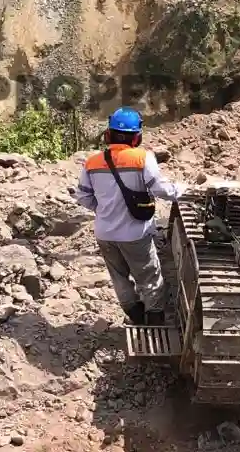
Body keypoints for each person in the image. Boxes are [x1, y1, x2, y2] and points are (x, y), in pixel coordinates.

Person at [73, 107, 186, 325]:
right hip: (135, 234)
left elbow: (83, 196)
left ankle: (135, 315)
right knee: (149, 278)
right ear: (137, 136)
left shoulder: (92, 162)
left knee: (119, 277)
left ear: (109, 134)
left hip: (104, 233)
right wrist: (183, 190)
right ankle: (154, 320)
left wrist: (103, 210)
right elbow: (161, 191)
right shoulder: (143, 158)